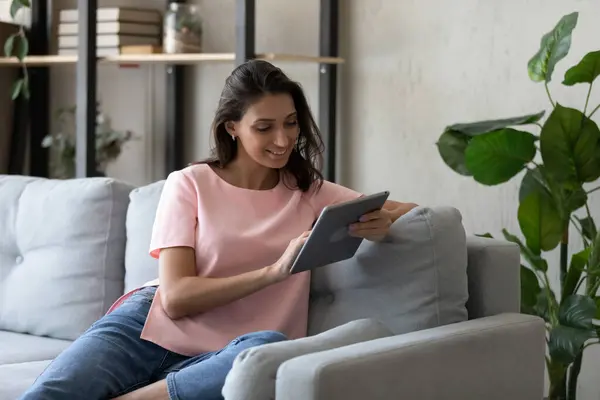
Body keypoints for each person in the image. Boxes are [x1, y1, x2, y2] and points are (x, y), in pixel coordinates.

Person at [20, 60, 417, 400]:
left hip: (232, 351)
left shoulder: (310, 192)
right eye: (264, 127)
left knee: (269, 350)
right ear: (232, 128)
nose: (283, 140)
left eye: (291, 123)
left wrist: (383, 222)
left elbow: (415, 212)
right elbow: (175, 299)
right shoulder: (189, 183)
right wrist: (275, 272)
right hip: (146, 331)